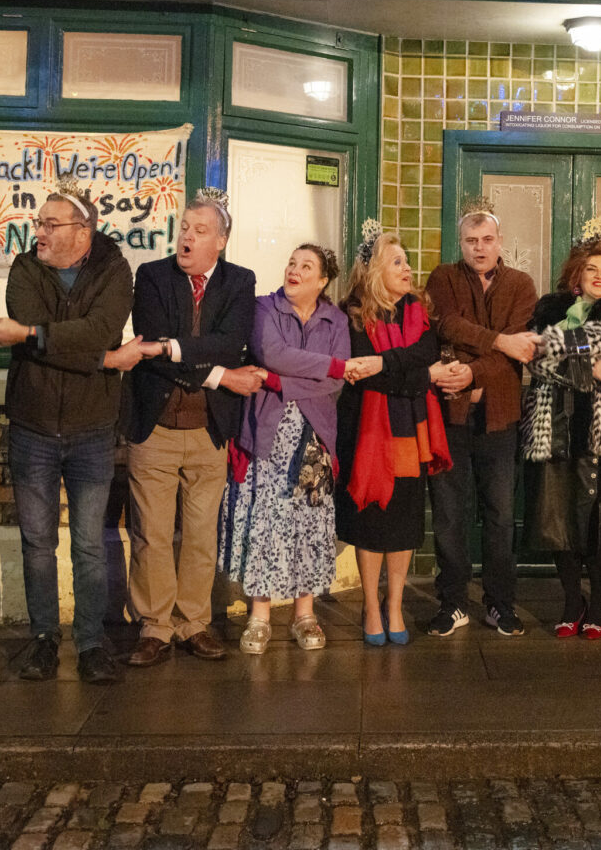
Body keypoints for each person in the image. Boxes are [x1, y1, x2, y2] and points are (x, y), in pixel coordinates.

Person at [0, 187, 139, 685]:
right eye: (39, 223)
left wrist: (38, 338)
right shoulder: (26, 268)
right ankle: (43, 638)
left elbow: (97, 329)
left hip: (92, 427)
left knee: (89, 545)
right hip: (32, 423)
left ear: (83, 231)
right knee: (37, 541)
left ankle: (91, 642)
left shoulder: (115, 270)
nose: (40, 233)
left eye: (51, 224)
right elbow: (36, 327)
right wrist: (101, 359)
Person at [123, 189, 261, 667]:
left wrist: (188, 352)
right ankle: (154, 626)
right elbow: (153, 349)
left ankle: (193, 623)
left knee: (201, 534)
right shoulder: (153, 276)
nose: (186, 237)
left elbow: (231, 343)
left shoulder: (240, 282)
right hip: (155, 425)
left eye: (200, 231)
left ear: (220, 241)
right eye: (184, 227)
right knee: (152, 534)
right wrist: (221, 375)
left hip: (208, 430)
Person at [335, 222, 462, 645]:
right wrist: (418, 375)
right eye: (397, 262)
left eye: (407, 261)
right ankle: (371, 606)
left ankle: (394, 606)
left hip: (411, 432)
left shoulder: (417, 312)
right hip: (368, 434)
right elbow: (365, 377)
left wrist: (390, 365)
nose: (408, 269)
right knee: (373, 520)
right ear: (374, 271)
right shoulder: (351, 315)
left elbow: (420, 356)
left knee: (406, 522)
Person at [220, 245, 350, 654]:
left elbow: (336, 380)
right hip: (267, 432)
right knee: (266, 518)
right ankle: (259, 615)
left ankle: (304, 614)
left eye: (305, 266)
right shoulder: (264, 308)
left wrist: (279, 381)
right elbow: (271, 353)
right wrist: (323, 365)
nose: (294, 270)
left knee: (309, 524)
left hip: (315, 437)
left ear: (323, 280)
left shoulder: (337, 319)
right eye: (292, 263)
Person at [423, 201, 538, 638]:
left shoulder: (521, 284)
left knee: (500, 515)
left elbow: (520, 350)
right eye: (471, 241)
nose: (479, 248)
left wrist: (474, 370)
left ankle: (499, 603)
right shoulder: (443, 278)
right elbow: (448, 325)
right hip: (450, 414)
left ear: (500, 242)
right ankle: (452, 602)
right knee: (450, 514)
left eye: (487, 240)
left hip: (500, 416)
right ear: (461, 244)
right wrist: (497, 343)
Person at [522, 220, 601, 640]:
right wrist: (587, 364)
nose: (600, 276)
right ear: (577, 274)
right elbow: (533, 360)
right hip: (551, 429)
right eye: (592, 268)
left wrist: (559, 349)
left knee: (598, 521)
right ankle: (573, 599)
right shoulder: (548, 308)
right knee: (559, 520)